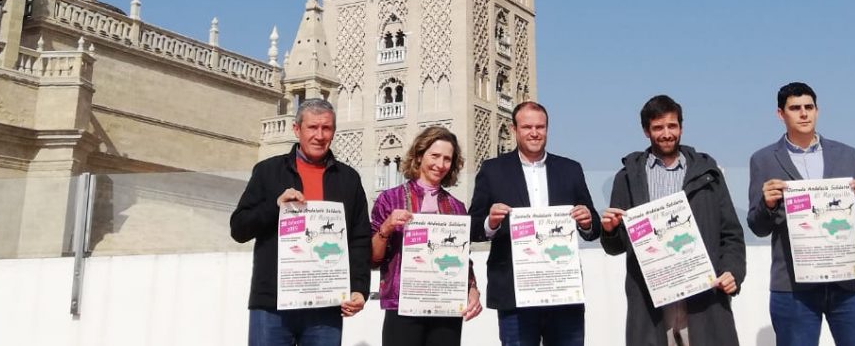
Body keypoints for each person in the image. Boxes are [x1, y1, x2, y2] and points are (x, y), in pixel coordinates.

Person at [600, 94, 745, 346]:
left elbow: (731, 233)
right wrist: (611, 231)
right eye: (658, 127)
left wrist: (733, 271)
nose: (667, 133)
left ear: (681, 127)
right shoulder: (626, 178)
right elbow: (615, 247)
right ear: (646, 131)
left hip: (703, 298)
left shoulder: (708, 174)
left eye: (672, 126)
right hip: (651, 303)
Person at [747, 82, 855, 346]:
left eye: (809, 107)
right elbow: (757, 226)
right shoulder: (763, 160)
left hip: (849, 283)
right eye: (795, 108)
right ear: (780, 114)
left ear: (817, 111)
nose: (804, 113)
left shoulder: (846, 154)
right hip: (794, 288)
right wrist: (768, 205)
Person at [230, 99, 371, 346]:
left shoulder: (349, 179)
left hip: (326, 305)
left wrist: (359, 288)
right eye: (312, 127)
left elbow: (359, 239)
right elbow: (239, 228)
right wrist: (275, 206)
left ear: (333, 132)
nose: (319, 135)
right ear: (297, 130)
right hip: (272, 304)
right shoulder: (267, 171)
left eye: (326, 128)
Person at [468, 101, 600, 346]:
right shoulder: (492, 170)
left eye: (540, 127)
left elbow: (594, 228)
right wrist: (491, 222)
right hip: (514, 293)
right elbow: (473, 227)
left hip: (563, 290)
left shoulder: (570, 169)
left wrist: (587, 220)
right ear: (514, 129)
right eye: (527, 126)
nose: (534, 132)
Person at [370, 126, 483, 345]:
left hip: (446, 306)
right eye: (435, 156)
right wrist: (386, 228)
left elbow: (462, 259)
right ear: (419, 155)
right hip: (403, 306)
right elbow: (373, 259)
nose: (440, 165)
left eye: (447, 159)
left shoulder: (456, 207)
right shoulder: (390, 199)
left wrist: (473, 289)